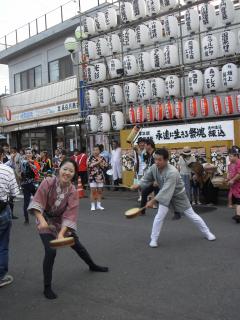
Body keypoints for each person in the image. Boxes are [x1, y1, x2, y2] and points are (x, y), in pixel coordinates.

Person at [28, 159, 108, 299]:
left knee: (77, 245)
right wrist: (42, 221)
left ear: (74, 174)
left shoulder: (72, 190)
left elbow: (70, 214)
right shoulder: (48, 182)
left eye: (71, 171)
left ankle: (92, 265)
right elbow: (37, 203)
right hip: (44, 219)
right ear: (59, 169)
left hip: (60, 222)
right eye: (65, 169)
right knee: (51, 251)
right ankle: (47, 287)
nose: (67, 173)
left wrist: (61, 234)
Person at [131, 148, 216, 248]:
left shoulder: (172, 172)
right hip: (165, 195)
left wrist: (153, 200)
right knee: (159, 216)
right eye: (155, 159)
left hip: (178, 196)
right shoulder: (154, 167)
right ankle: (153, 239)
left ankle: (207, 233)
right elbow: (146, 178)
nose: (157, 162)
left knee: (192, 215)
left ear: (166, 160)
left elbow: (165, 190)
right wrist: (138, 184)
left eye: (159, 160)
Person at [0, 147, 19, 288]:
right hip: (2, 210)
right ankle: (0, 277)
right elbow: (15, 192)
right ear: (2, 155)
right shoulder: (7, 170)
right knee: (2, 245)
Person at [20, 148, 40, 224]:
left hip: (34, 184)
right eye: (26, 153)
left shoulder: (35, 162)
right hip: (26, 184)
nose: (28, 154)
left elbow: (37, 170)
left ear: (32, 154)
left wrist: (35, 162)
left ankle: (42, 216)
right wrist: (32, 162)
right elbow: (25, 165)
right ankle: (26, 218)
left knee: (38, 201)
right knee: (26, 202)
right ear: (25, 154)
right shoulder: (23, 162)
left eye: (29, 153)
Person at [140, 139, 159, 214]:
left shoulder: (156, 154)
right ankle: (142, 211)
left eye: (145, 145)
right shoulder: (148, 154)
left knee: (163, 197)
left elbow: (158, 167)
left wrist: (156, 179)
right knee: (144, 193)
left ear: (149, 145)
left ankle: (177, 211)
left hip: (158, 179)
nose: (144, 146)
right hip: (152, 178)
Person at [88, 146, 108, 211]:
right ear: (93, 151)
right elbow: (89, 165)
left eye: (97, 150)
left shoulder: (102, 158)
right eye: (94, 150)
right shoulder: (90, 158)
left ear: (99, 151)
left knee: (99, 191)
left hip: (100, 176)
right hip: (92, 176)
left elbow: (105, 166)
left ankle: (99, 205)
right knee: (93, 191)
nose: (95, 151)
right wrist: (98, 162)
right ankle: (93, 205)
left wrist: (102, 164)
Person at [227, 146, 240, 222]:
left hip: (238, 185)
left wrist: (232, 180)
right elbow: (230, 174)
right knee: (236, 202)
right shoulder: (230, 164)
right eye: (229, 156)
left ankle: (238, 216)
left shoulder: (239, 162)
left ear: (236, 155)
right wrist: (228, 179)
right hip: (234, 187)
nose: (229, 158)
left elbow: (239, 174)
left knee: (239, 201)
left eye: (231, 156)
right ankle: (237, 215)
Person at [133, 138, 146, 202]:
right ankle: (140, 196)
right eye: (140, 143)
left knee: (145, 185)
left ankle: (145, 196)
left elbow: (142, 156)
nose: (141, 144)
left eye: (143, 143)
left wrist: (137, 150)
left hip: (145, 170)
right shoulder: (136, 152)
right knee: (139, 184)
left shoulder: (146, 151)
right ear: (138, 144)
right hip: (139, 170)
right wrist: (134, 172)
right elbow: (135, 162)